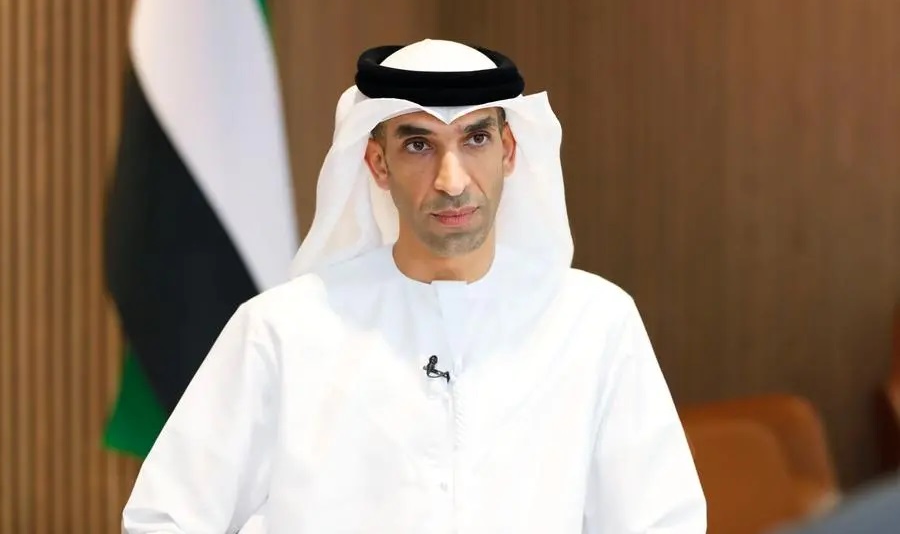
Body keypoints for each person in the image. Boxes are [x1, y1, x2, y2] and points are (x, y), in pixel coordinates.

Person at [121, 39, 707, 533]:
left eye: (475, 139)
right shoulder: (282, 330)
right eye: (419, 145)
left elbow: (663, 522)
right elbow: (164, 519)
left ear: (508, 151)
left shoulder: (594, 323)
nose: (452, 181)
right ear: (378, 164)